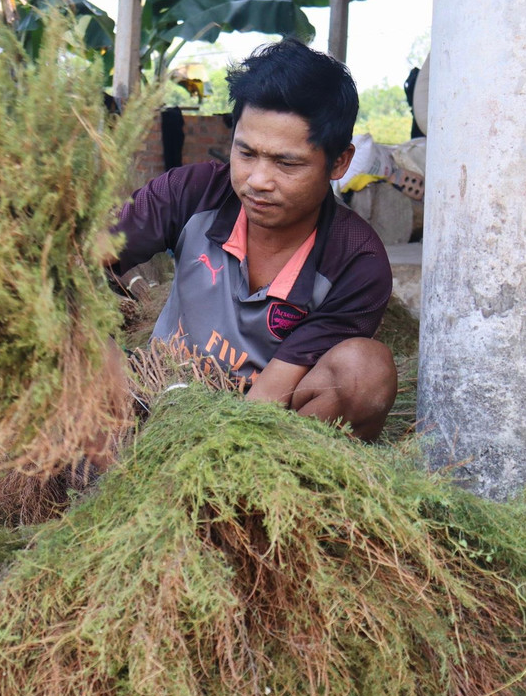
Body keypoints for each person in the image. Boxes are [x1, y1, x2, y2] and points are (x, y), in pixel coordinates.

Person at [112, 38, 397, 440]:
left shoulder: (356, 261)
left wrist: (203, 461)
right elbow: (86, 260)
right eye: (246, 154)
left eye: (286, 162)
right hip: (153, 393)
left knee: (365, 371)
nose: (258, 181)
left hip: (268, 427)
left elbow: (268, 398)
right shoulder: (189, 193)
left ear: (339, 162)